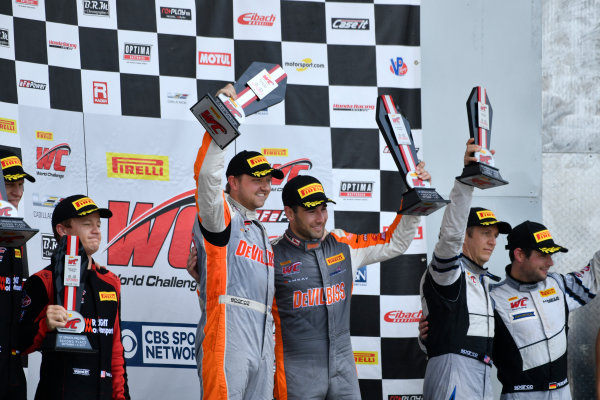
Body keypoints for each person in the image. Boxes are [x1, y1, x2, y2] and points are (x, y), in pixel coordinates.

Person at [271, 165, 429, 399]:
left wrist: (416, 197)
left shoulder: (343, 244)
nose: (320, 218)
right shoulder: (269, 255)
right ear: (290, 213)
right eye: (311, 211)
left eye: (323, 209)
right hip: (296, 369)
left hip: (343, 368)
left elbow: (395, 242)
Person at [189, 85, 284, 400]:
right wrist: (223, 121)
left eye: (269, 180)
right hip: (227, 334)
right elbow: (206, 178)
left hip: (262, 338)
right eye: (257, 179)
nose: (266, 187)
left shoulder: (261, 231)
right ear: (233, 182)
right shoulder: (221, 215)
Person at [419, 139, 511, 400]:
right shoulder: (449, 270)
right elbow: (449, 237)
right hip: (454, 369)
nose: (493, 241)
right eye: (485, 234)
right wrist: (466, 182)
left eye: (495, 235)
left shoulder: (484, 279)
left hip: (481, 372)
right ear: (465, 237)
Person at [19, 195, 129, 400]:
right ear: (62, 231)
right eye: (87, 224)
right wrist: (45, 325)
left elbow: (116, 349)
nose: (96, 230)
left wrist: (121, 396)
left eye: (98, 224)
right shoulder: (43, 280)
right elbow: (19, 345)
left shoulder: (111, 282)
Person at [490, 220, 600, 399]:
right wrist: (426, 338)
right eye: (543, 255)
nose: (551, 262)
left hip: (563, 392)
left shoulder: (559, 285)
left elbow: (596, 271)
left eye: (552, 255)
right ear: (519, 254)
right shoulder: (492, 299)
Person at [0, 149, 35, 400]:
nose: (18, 192)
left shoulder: (18, 233)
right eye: (10, 184)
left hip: (11, 360)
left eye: (21, 185)